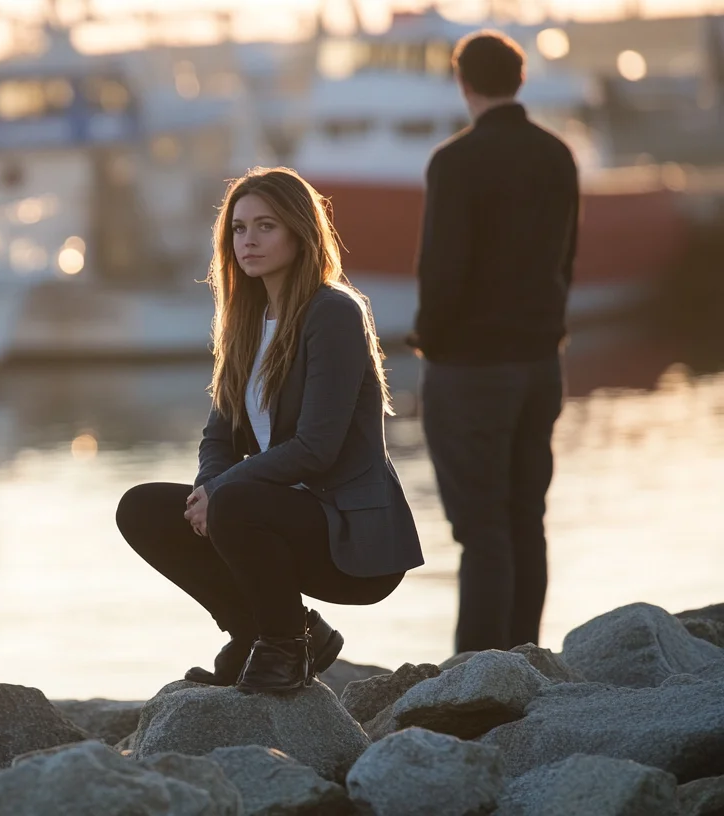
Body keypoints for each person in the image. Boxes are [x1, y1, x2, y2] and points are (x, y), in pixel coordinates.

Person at [116, 167, 424, 693]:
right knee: (141, 509)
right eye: (238, 228)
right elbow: (220, 436)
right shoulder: (246, 320)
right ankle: (262, 632)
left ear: (300, 233)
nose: (249, 240)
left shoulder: (334, 313)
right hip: (268, 517)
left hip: (348, 535)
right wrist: (204, 492)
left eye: (266, 226)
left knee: (235, 500)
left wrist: (223, 492)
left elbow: (316, 449)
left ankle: (284, 647)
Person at [408, 31, 578, 655]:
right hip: (540, 362)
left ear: (463, 82)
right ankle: (524, 657)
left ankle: (478, 672)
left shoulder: (454, 162)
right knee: (524, 517)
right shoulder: (558, 155)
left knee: (481, 529)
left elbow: (443, 269)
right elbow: (567, 258)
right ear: (520, 80)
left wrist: (430, 339)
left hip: (471, 367)